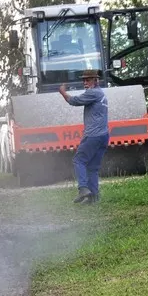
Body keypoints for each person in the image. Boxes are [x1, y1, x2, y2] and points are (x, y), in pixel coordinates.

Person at [59, 69, 109, 204]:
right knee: (92, 167)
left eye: (88, 80)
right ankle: (94, 197)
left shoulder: (93, 93)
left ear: (96, 80)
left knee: (78, 160)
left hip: (93, 136)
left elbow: (74, 101)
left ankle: (83, 189)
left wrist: (62, 92)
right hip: (104, 136)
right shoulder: (101, 94)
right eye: (84, 80)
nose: (85, 83)